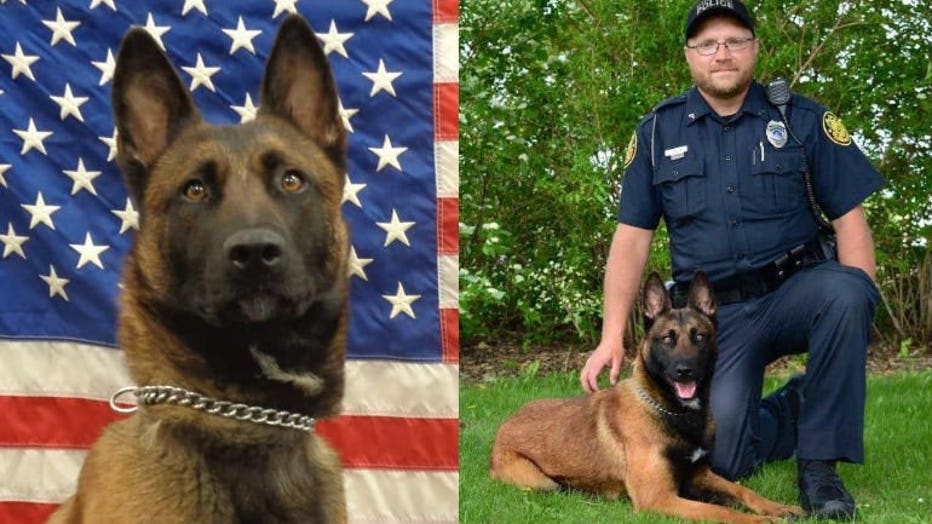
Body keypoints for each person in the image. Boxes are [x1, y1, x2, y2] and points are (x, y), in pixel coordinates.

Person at [579, 0, 884, 519]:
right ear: (689, 56)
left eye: (735, 41)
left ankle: (819, 470)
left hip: (797, 291)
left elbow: (849, 221)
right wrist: (612, 334)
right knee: (722, 460)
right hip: (712, 321)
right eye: (708, 44)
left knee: (847, 290)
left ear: (755, 49)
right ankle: (796, 407)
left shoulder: (803, 120)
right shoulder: (657, 134)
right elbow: (631, 240)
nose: (722, 53)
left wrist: (861, 307)